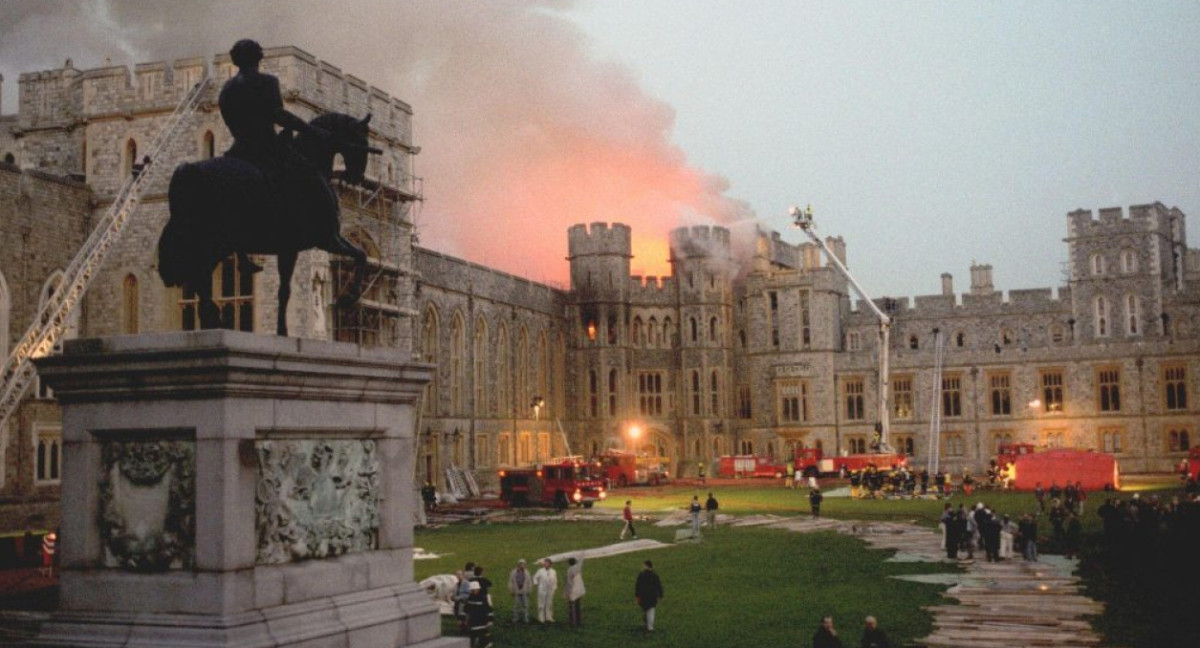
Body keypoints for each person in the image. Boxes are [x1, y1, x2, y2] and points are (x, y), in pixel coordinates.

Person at [635, 559, 664, 631]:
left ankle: (646, 624)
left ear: (645, 566)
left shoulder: (641, 575)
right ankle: (650, 626)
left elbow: (638, 586)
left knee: (645, 610)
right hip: (652, 596)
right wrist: (660, 595)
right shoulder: (655, 576)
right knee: (650, 611)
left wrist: (637, 595)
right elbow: (658, 586)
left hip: (643, 596)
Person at [464, 581, 493, 648]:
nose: (473, 592)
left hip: (482, 621)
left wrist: (490, 620)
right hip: (472, 621)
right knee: (472, 636)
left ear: (478, 589)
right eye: (472, 590)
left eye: (474, 590)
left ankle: (485, 644)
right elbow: (466, 609)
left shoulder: (483, 598)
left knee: (482, 635)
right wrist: (464, 619)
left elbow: (488, 609)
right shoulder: (469, 598)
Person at [533, 557, 558, 623]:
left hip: (550, 589)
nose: (546, 564)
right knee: (541, 604)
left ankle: (549, 617)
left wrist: (554, 588)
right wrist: (536, 583)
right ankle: (541, 618)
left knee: (549, 603)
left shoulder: (553, 571)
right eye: (545, 563)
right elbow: (535, 577)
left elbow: (555, 580)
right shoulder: (540, 571)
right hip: (542, 589)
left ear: (550, 564)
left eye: (548, 563)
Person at [507, 558, 532, 624]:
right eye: (521, 564)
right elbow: (510, 581)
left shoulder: (527, 572)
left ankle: (525, 618)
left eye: (523, 564)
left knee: (525, 605)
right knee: (515, 606)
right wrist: (511, 590)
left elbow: (529, 582)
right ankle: (515, 618)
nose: (522, 565)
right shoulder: (513, 572)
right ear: (518, 565)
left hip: (524, 591)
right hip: (516, 591)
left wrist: (529, 590)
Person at [565, 556, 585, 627]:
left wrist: (566, 593)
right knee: (578, 606)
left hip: (573, 591)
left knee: (572, 607)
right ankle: (579, 621)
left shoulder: (570, 570)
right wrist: (583, 554)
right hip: (579, 591)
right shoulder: (578, 568)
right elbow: (581, 562)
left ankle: (573, 623)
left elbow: (569, 582)